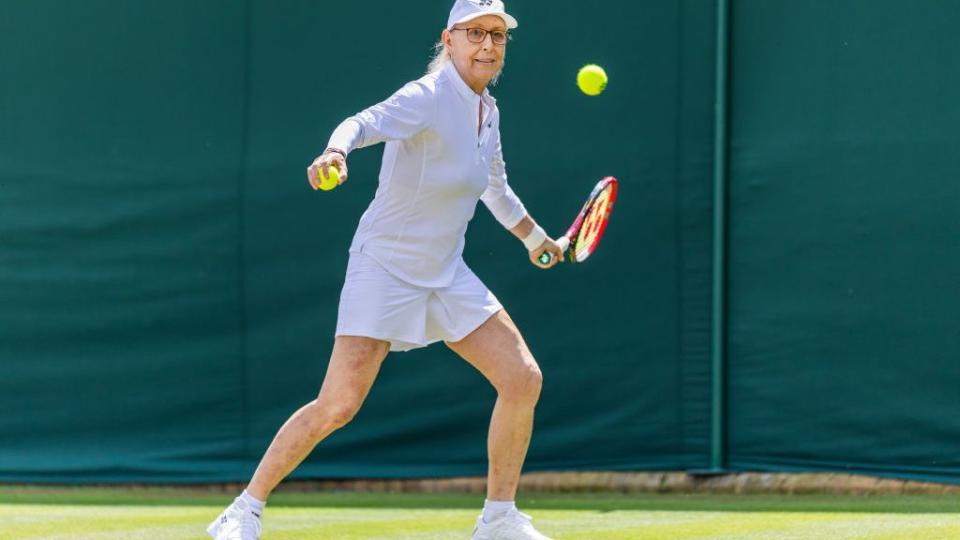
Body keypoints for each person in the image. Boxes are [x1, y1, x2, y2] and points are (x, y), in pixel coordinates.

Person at [208, 1, 560, 539]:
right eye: (476, 34)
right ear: (449, 40)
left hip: (446, 272)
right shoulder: (427, 96)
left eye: (497, 35)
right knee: (339, 405)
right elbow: (363, 122)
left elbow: (496, 188)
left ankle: (499, 519)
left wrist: (538, 240)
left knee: (522, 378)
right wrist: (336, 151)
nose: (488, 46)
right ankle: (244, 510)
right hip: (386, 265)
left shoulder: (488, 111)